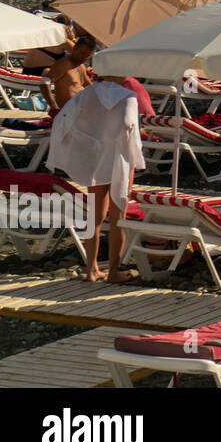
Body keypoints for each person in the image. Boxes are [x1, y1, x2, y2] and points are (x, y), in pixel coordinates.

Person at [47, 76, 146, 282]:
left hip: (96, 157)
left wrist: (84, 141)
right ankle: (113, 271)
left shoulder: (86, 94)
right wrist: (136, 157)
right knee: (119, 217)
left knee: (95, 216)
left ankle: (90, 269)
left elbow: (64, 120)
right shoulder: (128, 96)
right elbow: (129, 125)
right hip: (119, 158)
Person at [44, 35, 96, 114]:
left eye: (88, 55)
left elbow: (89, 86)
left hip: (80, 111)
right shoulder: (63, 64)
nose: (84, 57)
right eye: (82, 53)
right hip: (67, 113)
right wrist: (53, 106)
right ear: (75, 48)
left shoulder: (81, 66)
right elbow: (44, 82)